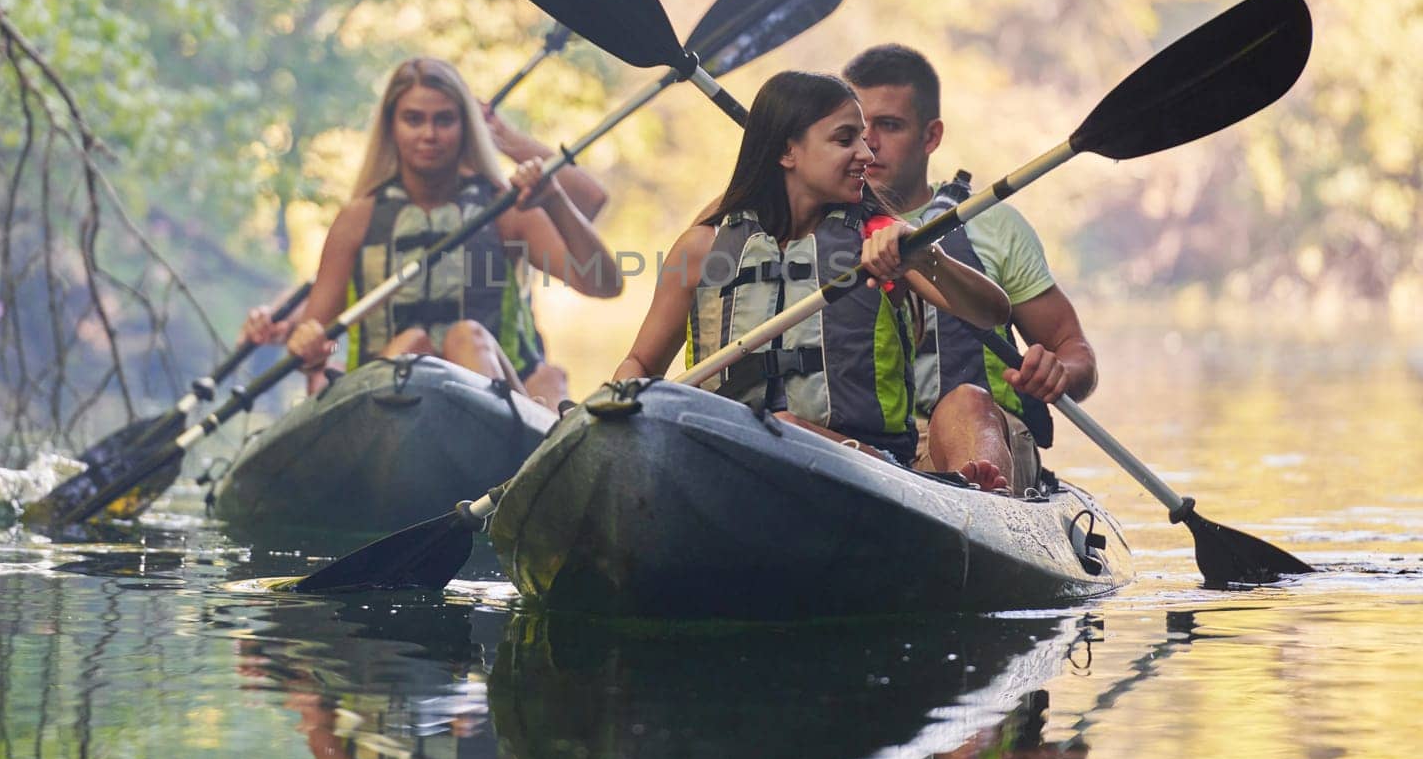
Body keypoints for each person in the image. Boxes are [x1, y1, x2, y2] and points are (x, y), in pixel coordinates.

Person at [612, 70, 1012, 478]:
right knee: (772, 431)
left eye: (863, 138)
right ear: (788, 152)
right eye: (845, 139)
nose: (867, 154)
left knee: (783, 428)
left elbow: (992, 313)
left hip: (869, 469)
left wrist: (925, 256)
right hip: (727, 460)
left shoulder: (878, 239)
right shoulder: (703, 248)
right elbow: (641, 363)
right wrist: (617, 411)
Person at [258, 57, 622, 399]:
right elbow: (323, 338)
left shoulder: (507, 210)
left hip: (498, 395)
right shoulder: (357, 220)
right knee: (410, 345)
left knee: (467, 337)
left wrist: (554, 199)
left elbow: (603, 284)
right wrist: (316, 352)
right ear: (391, 127)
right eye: (413, 120)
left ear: (466, 127)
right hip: (389, 404)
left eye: (444, 120)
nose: (429, 134)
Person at [843, 43, 1098, 493]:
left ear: (931, 136)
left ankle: (981, 511)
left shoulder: (993, 225)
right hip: (864, 451)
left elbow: (1074, 352)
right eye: (857, 129)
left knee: (962, 405)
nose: (871, 144)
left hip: (982, 434)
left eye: (890, 126)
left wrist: (1059, 369)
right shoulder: (815, 227)